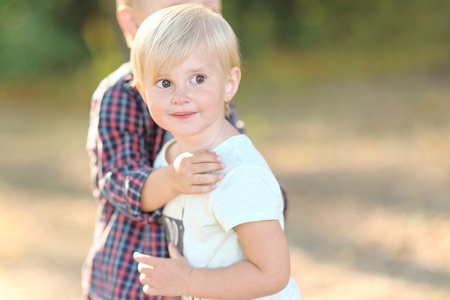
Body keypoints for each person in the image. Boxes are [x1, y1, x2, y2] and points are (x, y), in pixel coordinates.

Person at [131, 4, 300, 299]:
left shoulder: (239, 172)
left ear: (229, 83)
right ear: (144, 92)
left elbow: (273, 274)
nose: (180, 97)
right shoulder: (171, 157)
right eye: (164, 82)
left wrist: (188, 282)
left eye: (198, 78)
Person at [83, 1, 240, 299]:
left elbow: (233, 163)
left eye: (206, 8)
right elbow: (118, 182)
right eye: (177, 13)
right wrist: (173, 179)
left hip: (198, 279)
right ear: (132, 24)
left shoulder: (210, 89)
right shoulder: (120, 94)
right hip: (131, 281)